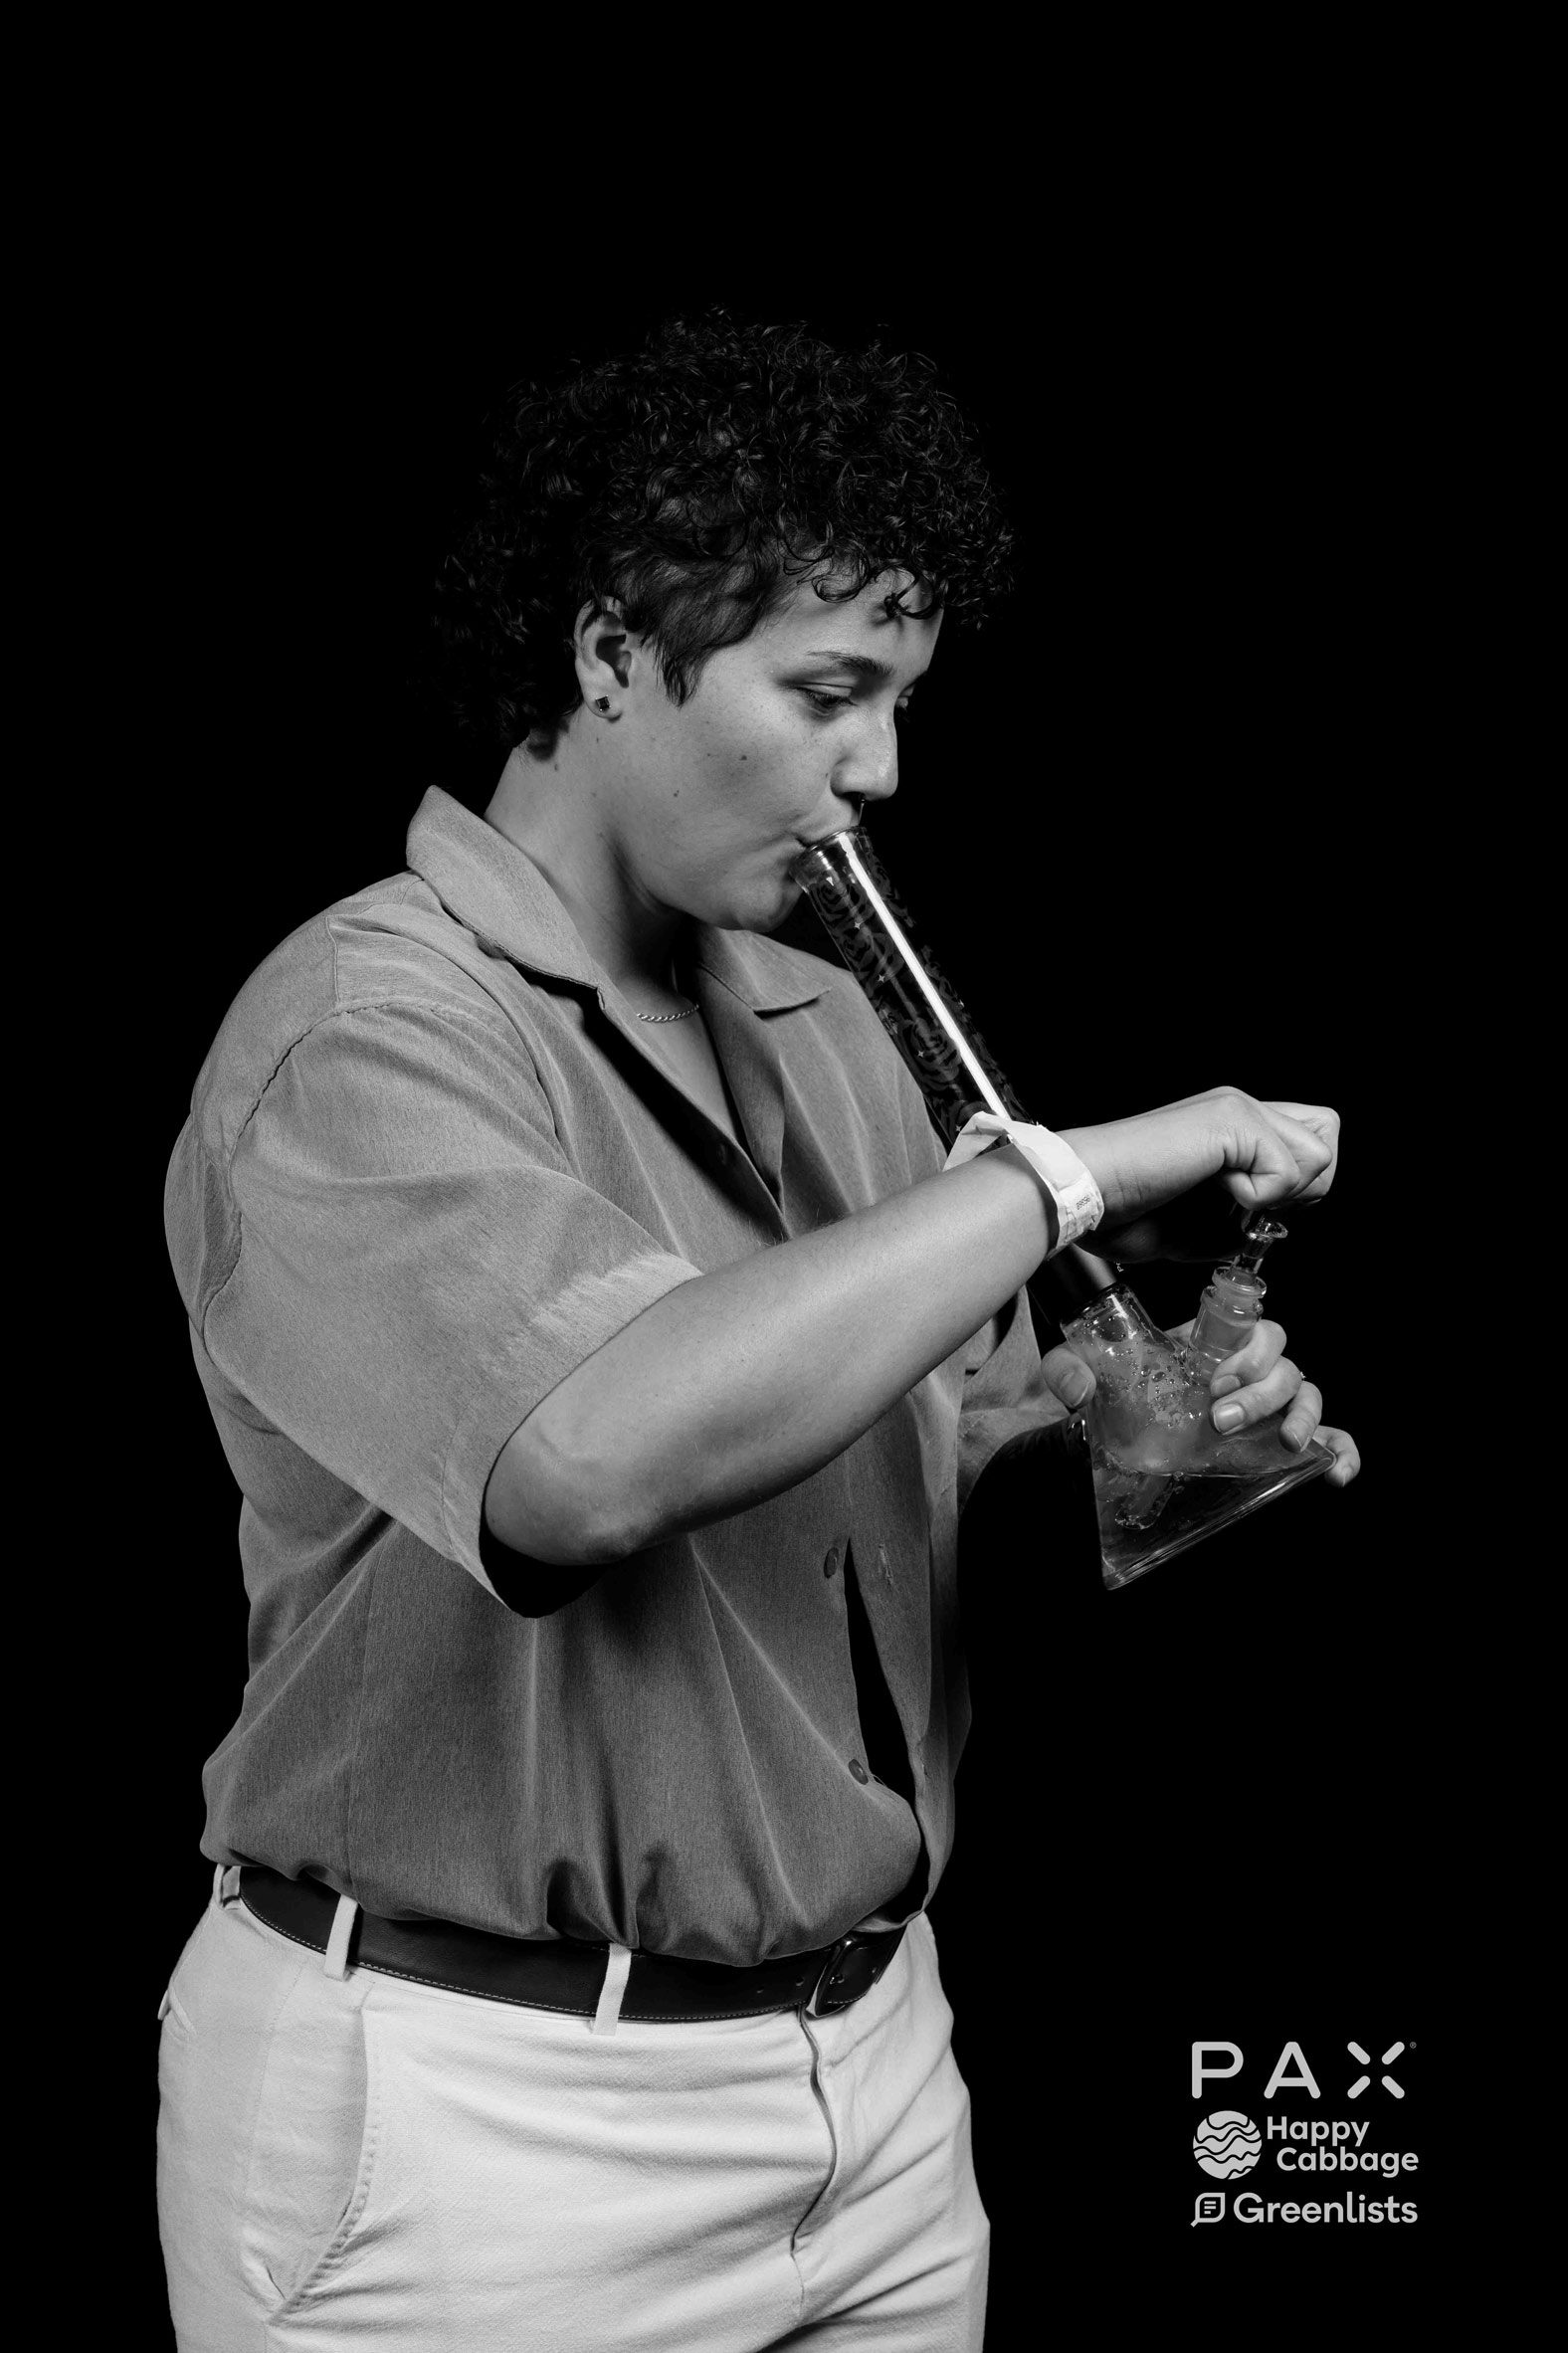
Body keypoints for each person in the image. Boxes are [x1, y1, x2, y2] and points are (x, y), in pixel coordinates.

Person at [156, 311, 1359, 2351]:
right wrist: (1070, 1174)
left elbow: (898, 1464)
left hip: (871, 2081)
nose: (878, 770)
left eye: (898, 702)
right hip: (478, 2121)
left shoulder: (821, 1023)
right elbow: (587, 1457)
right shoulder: (360, 1031)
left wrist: (1127, 1433)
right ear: (611, 651)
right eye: (826, 694)